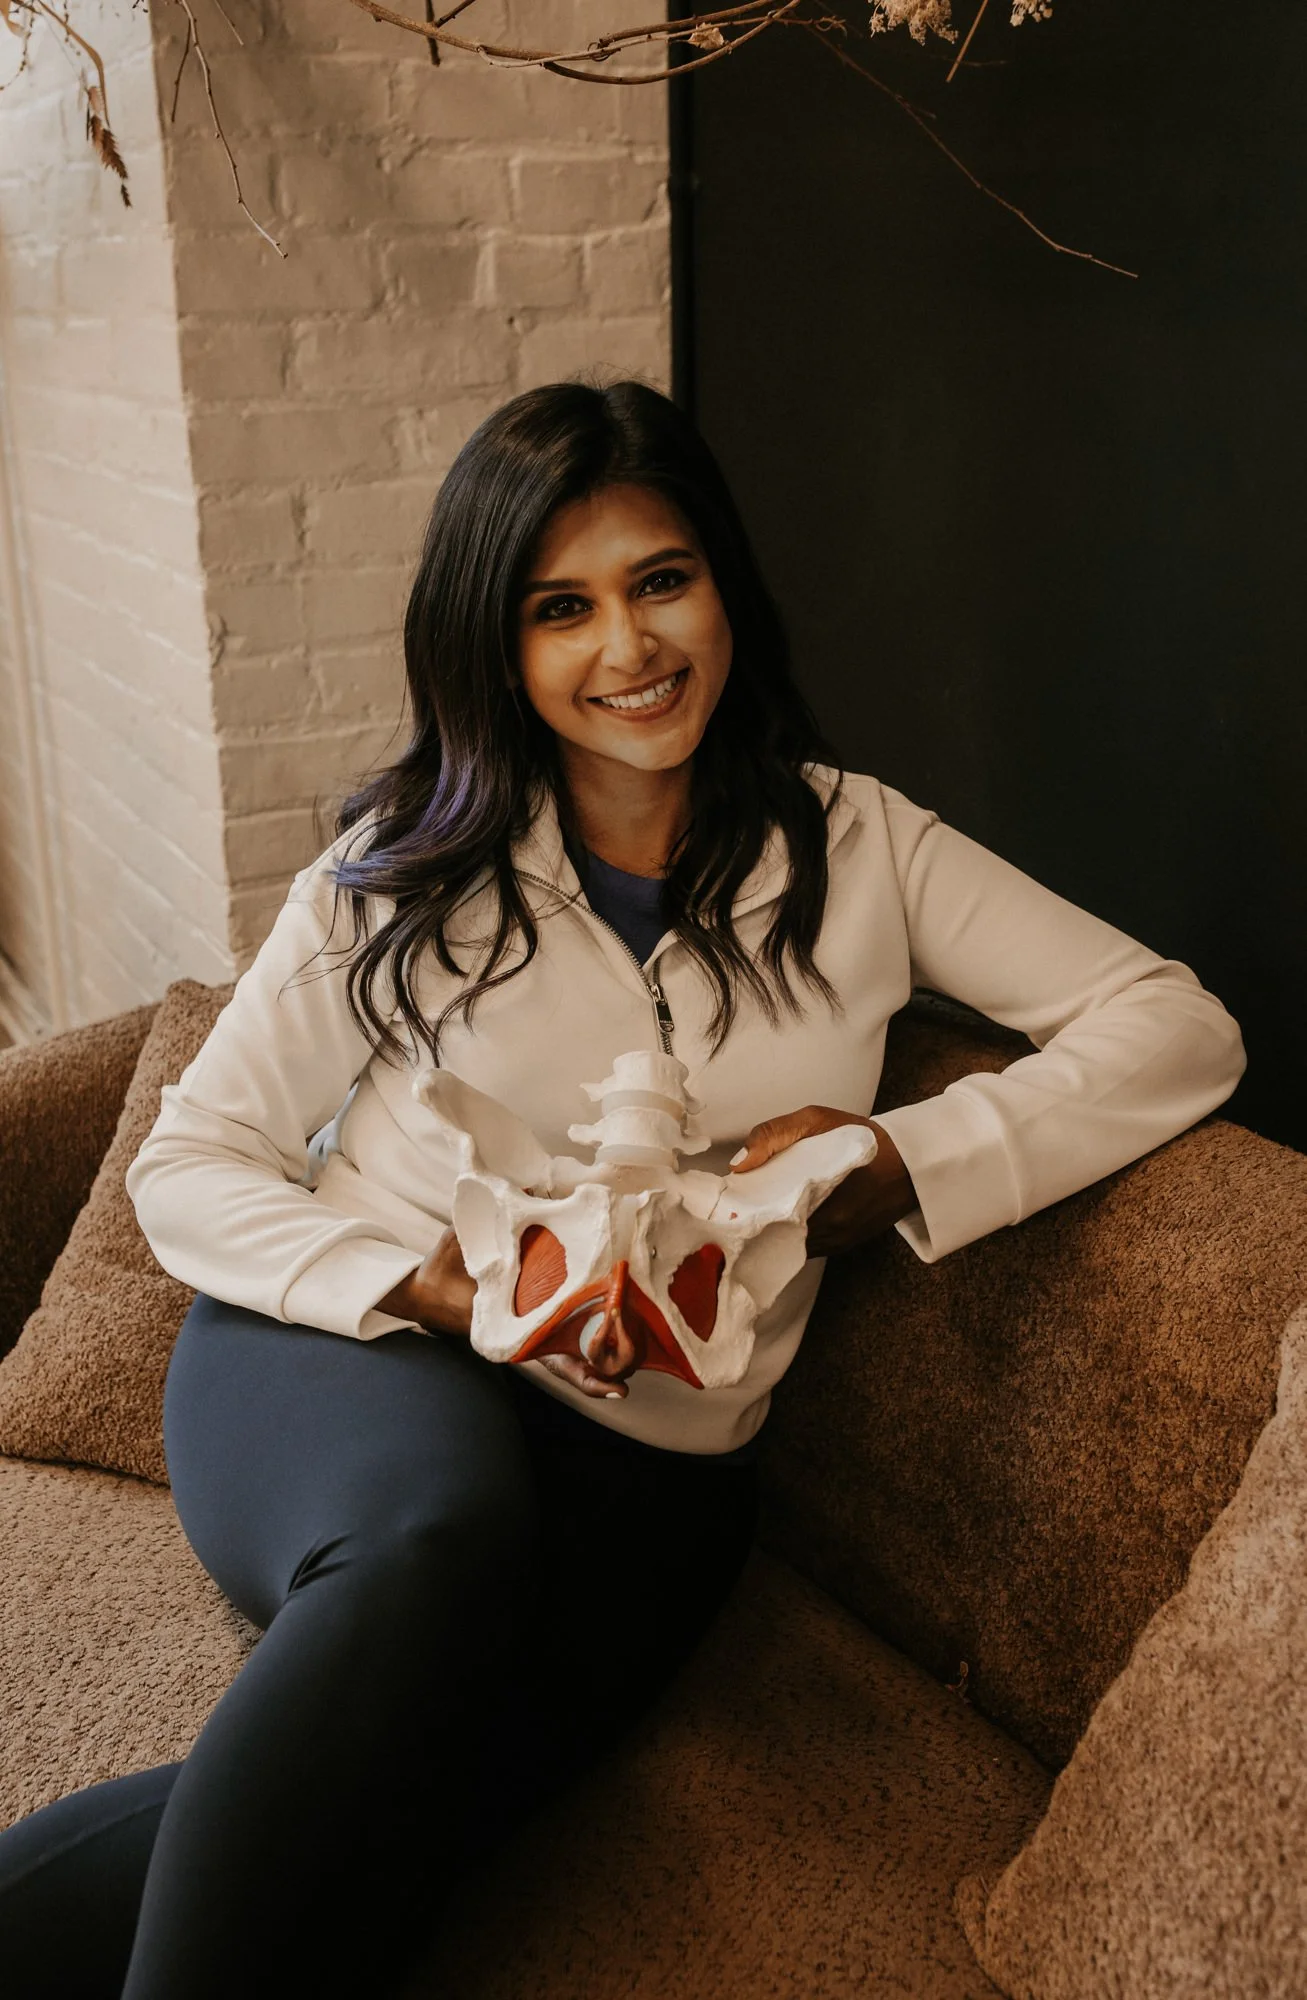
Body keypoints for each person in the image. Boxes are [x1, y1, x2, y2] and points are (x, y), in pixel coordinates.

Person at [0, 380, 1245, 1997]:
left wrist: (891, 1158)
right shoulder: (405, 871)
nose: (628, 648)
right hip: (344, 1368)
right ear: (493, 647)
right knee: (440, 1532)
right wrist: (455, 1290)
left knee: (404, 1817)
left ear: (723, 584)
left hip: (647, 1480)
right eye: (559, 609)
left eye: (661, 580)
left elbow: (1176, 1025)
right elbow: (191, 1164)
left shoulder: (858, 850)